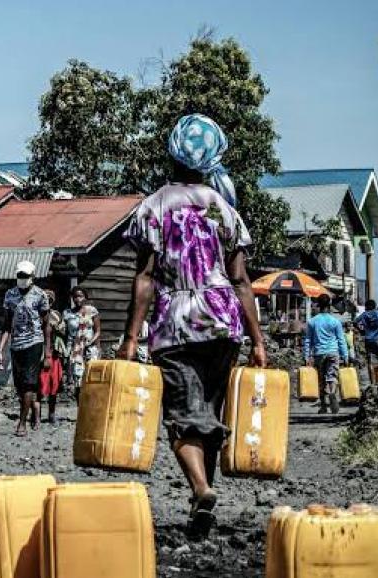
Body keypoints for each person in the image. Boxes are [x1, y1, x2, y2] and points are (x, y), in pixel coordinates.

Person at [117, 114, 267, 537]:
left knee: (184, 416)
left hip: (176, 324)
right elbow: (241, 281)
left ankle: (201, 489)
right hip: (224, 323)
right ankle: (204, 504)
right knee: (210, 414)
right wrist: (258, 340)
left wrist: (131, 338)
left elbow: (145, 278)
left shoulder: (153, 206)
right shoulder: (224, 209)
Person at [0, 261, 52, 436]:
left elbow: (46, 324)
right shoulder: (10, 295)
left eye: (25, 276)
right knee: (20, 385)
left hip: (34, 343)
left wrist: (47, 351)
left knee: (28, 382)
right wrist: (0, 350)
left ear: (32, 277)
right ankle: (33, 409)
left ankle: (22, 423)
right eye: (20, 275)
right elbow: (6, 324)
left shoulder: (39, 295)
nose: (22, 279)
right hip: (16, 344)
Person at [304, 294, 349, 414]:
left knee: (321, 379)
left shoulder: (312, 322)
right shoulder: (335, 321)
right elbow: (341, 340)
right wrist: (345, 356)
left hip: (319, 353)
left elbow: (308, 340)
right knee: (332, 376)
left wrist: (306, 356)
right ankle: (332, 393)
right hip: (333, 352)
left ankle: (323, 406)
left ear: (318, 305)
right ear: (329, 305)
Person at [63, 286, 101, 394]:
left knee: (92, 377)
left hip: (90, 348)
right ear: (72, 298)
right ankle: (81, 406)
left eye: (80, 296)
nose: (78, 299)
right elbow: (65, 333)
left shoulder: (92, 311)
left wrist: (96, 348)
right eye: (75, 297)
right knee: (78, 378)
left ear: (85, 297)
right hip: (75, 350)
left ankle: (92, 406)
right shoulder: (67, 313)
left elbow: (97, 331)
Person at [38, 289, 67, 423]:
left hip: (54, 354)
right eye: (45, 300)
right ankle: (36, 415)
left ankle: (51, 413)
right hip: (38, 353)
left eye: (49, 300)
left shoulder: (56, 315)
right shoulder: (35, 315)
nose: (47, 302)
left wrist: (56, 327)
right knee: (38, 384)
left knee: (54, 385)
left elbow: (63, 332)